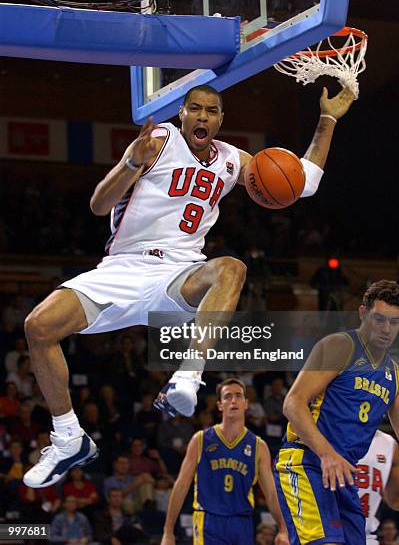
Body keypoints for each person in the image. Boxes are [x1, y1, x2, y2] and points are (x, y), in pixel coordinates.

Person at [23, 83, 354, 488]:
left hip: (179, 275)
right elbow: (98, 205)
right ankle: (68, 437)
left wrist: (327, 118)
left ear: (220, 120)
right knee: (38, 327)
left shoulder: (232, 161)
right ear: (182, 113)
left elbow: (302, 183)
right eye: (194, 109)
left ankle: (188, 376)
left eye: (211, 111)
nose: (202, 116)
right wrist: (130, 164)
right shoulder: (160, 140)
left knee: (230, 268)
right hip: (123, 269)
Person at [274, 279, 399, 545]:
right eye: (380, 319)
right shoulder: (341, 346)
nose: (387, 329)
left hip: (343, 473)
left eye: (395, 322)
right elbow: (293, 403)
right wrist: (327, 454)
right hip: (308, 462)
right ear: (363, 313)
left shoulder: (394, 375)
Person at [160, 378, 289, 545]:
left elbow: (271, 494)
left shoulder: (258, 446)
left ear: (246, 403)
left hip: (242, 522)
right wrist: (168, 532)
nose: (233, 400)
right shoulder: (201, 440)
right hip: (209, 520)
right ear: (220, 405)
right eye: (228, 396)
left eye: (238, 396)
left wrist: (283, 529)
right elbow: (181, 486)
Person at [356, 429, 399, 544]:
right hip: (326, 532)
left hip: (366, 536)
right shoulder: (323, 433)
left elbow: (395, 501)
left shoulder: (390, 444)